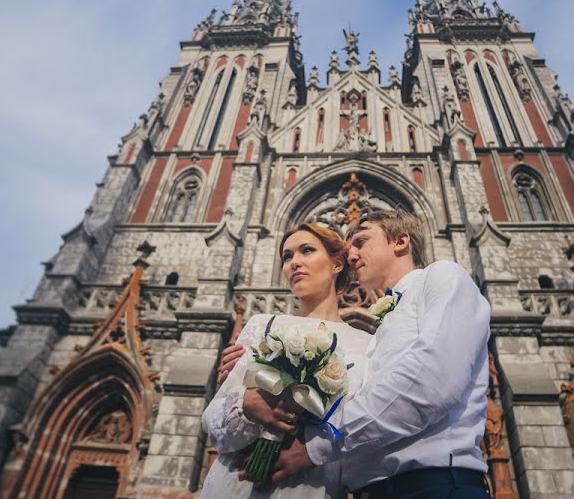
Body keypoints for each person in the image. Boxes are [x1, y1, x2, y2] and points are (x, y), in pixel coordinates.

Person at [221, 209, 491, 498]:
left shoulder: (442, 276)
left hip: (432, 484)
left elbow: (428, 384)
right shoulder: (381, 328)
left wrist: (315, 448)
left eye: (361, 242)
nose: (351, 256)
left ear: (401, 242)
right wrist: (256, 377)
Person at [200, 223, 373, 499]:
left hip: (311, 487)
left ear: (337, 264)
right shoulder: (262, 325)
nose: (295, 263)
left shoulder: (366, 345)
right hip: (236, 485)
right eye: (287, 256)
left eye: (306, 250)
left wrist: (313, 451)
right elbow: (213, 425)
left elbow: (365, 430)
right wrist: (248, 405)